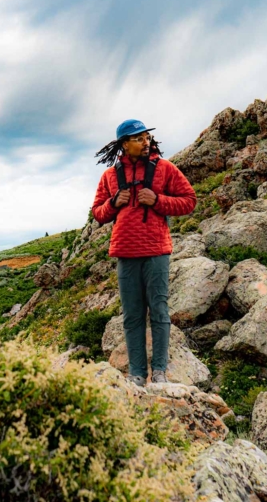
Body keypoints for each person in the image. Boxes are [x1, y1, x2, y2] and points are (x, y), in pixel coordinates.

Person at [91, 119, 196, 385]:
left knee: (159, 311)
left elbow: (189, 201)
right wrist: (114, 202)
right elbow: (98, 214)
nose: (145, 142)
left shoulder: (166, 169)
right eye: (139, 138)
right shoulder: (110, 177)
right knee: (132, 315)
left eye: (147, 137)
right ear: (124, 144)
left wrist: (158, 201)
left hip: (156, 251)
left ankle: (159, 371)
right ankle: (137, 374)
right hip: (125, 252)